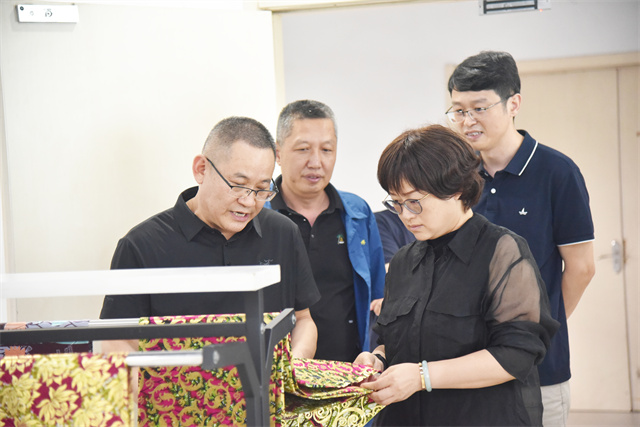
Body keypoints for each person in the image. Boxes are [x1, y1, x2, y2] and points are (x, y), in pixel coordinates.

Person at [355, 124, 558, 426]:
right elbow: (393, 340)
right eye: (396, 203)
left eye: (414, 201)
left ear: (457, 189)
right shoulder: (403, 261)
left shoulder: (500, 251)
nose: (406, 215)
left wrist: (423, 376)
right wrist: (378, 359)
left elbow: (516, 354)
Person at [446, 51, 596, 426]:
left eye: (479, 108)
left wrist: (538, 328)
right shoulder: (455, 175)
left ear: (513, 103)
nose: (467, 121)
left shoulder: (557, 172)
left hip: (539, 370)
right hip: (466, 369)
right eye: (458, 110)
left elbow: (581, 268)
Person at [100, 116, 320, 359]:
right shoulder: (141, 246)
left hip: (268, 383)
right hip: (173, 383)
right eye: (238, 185)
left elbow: (302, 320)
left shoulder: (283, 233)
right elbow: (117, 341)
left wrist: (291, 367)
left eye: (261, 189)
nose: (249, 202)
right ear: (201, 169)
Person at [264, 100, 386, 363]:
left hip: (349, 367)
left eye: (327, 150)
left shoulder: (357, 212)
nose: (316, 162)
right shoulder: (259, 216)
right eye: (303, 149)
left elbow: (378, 297)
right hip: (279, 371)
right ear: (278, 153)